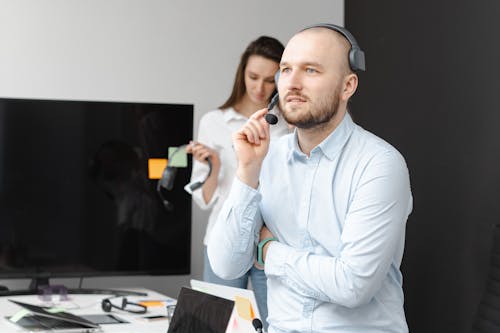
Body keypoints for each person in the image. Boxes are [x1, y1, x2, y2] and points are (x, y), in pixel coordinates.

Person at [208, 24, 413, 332]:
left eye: (311, 70)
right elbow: (226, 266)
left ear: (348, 86)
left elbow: (352, 285)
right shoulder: (268, 158)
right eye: (287, 69)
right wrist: (247, 171)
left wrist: (269, 251)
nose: (292, 83)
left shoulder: (379, 165)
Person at [184, 36, 290, 328]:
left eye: (271, 80)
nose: (260, 88)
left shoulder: (289, 125)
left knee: (276, 324)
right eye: (253, 77)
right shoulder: (213, 121)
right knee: (214, 324)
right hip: (223, 237)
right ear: (242, 74)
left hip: (272, 241)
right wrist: (214, 166)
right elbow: (203, 200)